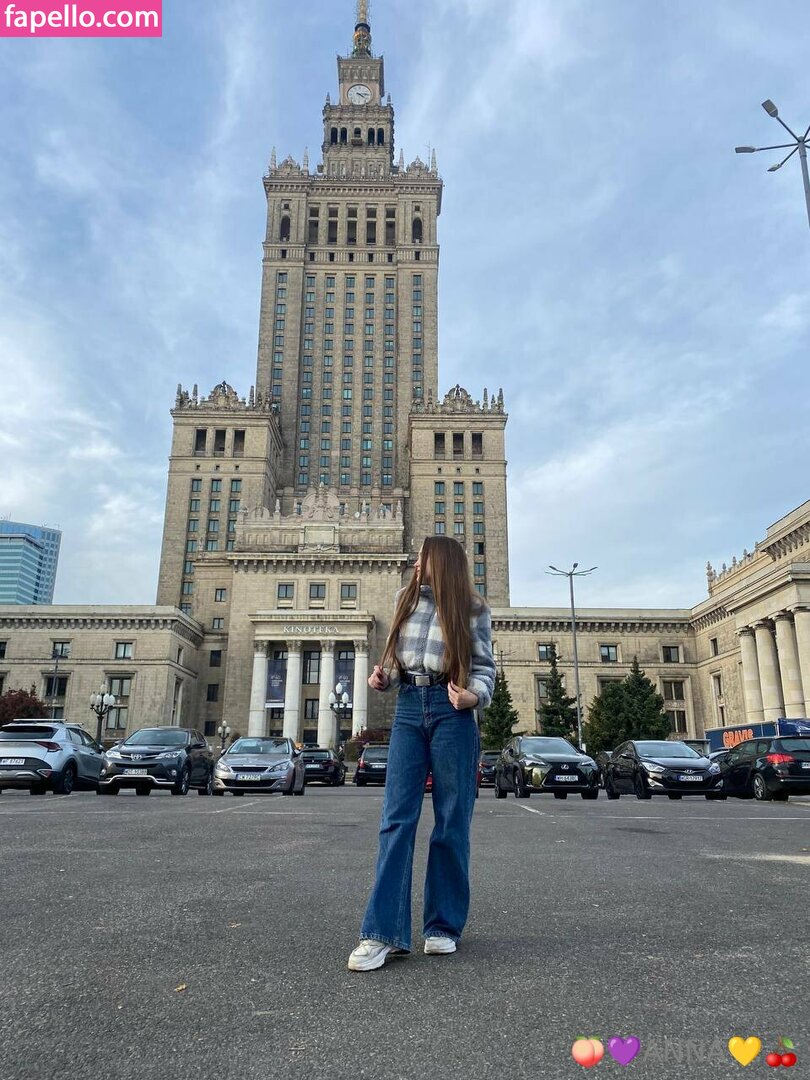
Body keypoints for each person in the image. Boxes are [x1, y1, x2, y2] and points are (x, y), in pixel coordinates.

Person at [347, 536, 496, 972]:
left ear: (441, 561)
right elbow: (395, 659)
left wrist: (473, 697)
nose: (416, 562)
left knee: (451, 822)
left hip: (453, 710)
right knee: (396, 819)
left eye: (422, 556)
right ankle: (381, 933)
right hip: (410, 708)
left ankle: (442, 927)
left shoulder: (473, 608)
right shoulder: (404, 599)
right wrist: (384, 677)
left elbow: (485, 667)